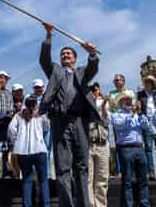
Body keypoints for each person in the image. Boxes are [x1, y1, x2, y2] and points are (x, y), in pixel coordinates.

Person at [39, 22, 99, 207]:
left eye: (69, 54)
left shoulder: (82, 72)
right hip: (60, 120)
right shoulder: (55, 70)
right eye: (63, 54)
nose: (65, 56)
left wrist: (92, 54)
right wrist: (49, 35)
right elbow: (44, 60)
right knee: (63, 167)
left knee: (82, 166)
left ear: (74, 58)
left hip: (80, 121)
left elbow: (93, 68)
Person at [8, 96, 51, 207]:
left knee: (27, 180)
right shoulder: (41, 115)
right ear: (36, 105)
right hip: (39, 150)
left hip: (22, 152)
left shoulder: (18, 115)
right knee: (43, 180)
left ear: (25, 104)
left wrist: (14, 144)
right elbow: (47, 128)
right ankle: (46, 205)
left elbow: (11, 130)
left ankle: (27, 205)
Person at [110, 91, 151, 207]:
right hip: (126, 149)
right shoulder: (116, 115)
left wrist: (141, 113)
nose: (129, 102)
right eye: (126, 100)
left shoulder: (137, 115)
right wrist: (132, 113)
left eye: (129, 99)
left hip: (139, 148)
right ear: (120, 102)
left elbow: (145, 126)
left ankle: (145, 204)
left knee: (143, 180)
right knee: (127, 181)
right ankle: (128, 205)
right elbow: (120, 125)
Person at [88, 82, 109, 207]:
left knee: (102, 179)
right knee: (88, 179)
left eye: (96, 90)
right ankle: (90, 205)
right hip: (88, 144)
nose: (95, 93)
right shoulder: (84, 105)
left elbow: (106, 121)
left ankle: (101, 205)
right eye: (92, 91)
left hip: (102, 144)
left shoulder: (103, 104)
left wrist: (103, 105)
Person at [108, 74, 134, 176]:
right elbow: (111, 107)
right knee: (118, 144)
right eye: (115, 81)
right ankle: (120, 170)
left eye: (118, 80)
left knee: (131, 144)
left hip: (129, 121)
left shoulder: (130, 92)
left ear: (123, 81)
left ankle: (132, 170)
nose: (116, 82)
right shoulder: (111, 93)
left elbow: (134, 105)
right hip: (117, 121)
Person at [30, 78, 53, 178]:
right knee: (35, 151)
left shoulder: (48, 97)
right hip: (35, 130)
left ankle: (46, 174)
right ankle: (36, 173)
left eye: (40, 87)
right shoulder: (29, 98)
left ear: (43, 87)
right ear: (33, 88)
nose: (38, 89)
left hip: (47, 128)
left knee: (46, 152)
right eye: (36, 87)